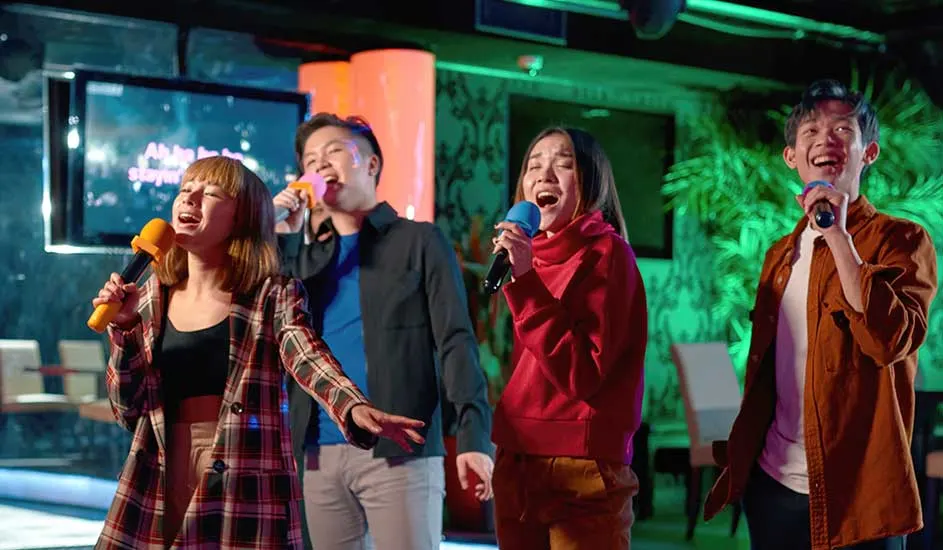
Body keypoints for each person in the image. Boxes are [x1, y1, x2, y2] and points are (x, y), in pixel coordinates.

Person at [92, 155, 425, 549]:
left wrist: (351, 406)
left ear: (243, 218)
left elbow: (307, 356)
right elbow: (128, 409)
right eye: (185, 191)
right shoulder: (147, 298)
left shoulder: (273, 294)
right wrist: (125, 328)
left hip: (244, 473)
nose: (190, 200)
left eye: (210, 193)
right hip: (160, 471)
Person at [703, 80, 938, 549]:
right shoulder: (779, 255)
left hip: (861, 496)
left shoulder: (903, 241)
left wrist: (838, 235)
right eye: (810, 130)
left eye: (842, 130)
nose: (825, 140)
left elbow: (888, 341)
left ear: (867, 152)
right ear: (792, 156)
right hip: (774, 487)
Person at [274, 113, 494, 550]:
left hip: (400, 449)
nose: (320, 164)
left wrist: (473, 435)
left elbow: (455, 340)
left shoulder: (420, 241)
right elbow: (274, 333)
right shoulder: (301, 260)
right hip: (317, 449)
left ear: (371, 164)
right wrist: (284, 235)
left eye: (334, 151)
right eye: (310, 159)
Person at [489, 126, 647, 549]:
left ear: (590, 182)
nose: (544, 174)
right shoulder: (526, 256)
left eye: (563, 163)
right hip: (516, 458)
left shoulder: (607, 255)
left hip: (583, 465)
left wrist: (524, 283)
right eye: (534, 166)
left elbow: (583, 373)